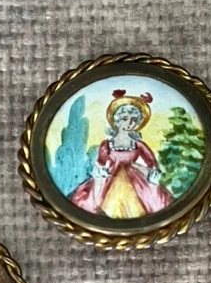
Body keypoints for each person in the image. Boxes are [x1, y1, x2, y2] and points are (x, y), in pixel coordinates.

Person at [70, 90, 173, 218]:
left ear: (138, 123)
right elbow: (101, 164)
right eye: (125, 118)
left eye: (134, 120)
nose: (129, 123)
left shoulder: (138, 145)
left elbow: (152, 165)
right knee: (94, 201)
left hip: (135, 180)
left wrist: (146, 171)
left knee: (146, 202)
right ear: (116, 121)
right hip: (109, 178)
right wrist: (101, 174)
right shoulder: (107, 145)